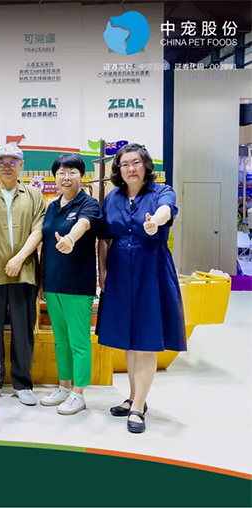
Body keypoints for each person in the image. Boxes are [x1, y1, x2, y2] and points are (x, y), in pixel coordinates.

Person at [97, 143, 186, 433]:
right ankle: (135, 396)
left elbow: (166, 211)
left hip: (151, 268)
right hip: (120, 270)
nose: (131, 168)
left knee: (145, 338)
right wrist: (102, 271)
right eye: (124, 164)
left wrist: (154, 223)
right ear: (118, 170)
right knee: (129, 338)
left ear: (146, 166)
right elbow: (105, 238)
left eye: (136, 162)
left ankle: (137, 407)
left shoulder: (161, 191)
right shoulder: (113, 197)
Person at [0, 143, 45, 406]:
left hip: (24, 271)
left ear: (21, 165)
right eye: (1, 161)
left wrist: (20, 258)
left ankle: (22, 384)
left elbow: (38, 230)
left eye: (12, 161)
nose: (6, 166)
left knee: (23, 330)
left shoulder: (34, 195)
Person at [39, 154, 102, 415]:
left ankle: (79, 392)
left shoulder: (89, 203)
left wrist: (70, 239)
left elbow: (84, 224)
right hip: (53, 284)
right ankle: (64, 387)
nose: (66, 177)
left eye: (72, 172)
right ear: (55, 177)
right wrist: (42, 280)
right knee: (60, 342)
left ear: (81, 176)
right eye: (61, 172)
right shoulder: (52, 206)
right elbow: (45, 244)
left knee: (79, 342)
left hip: (77, 285)